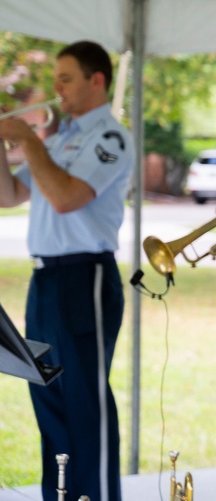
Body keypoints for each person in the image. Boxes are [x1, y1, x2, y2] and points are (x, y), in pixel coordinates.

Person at [0, 40, 133, 501]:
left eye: (66, 78)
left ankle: (96, 495)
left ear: (97, 80)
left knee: (83, 400)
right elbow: (9, 195)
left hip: (85, 279)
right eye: (55, 78)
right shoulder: (57, 138)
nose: (56, 88)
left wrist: (29, 138)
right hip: (46, 280)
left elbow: (65, 197)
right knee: (48, 393)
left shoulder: (110, 137)